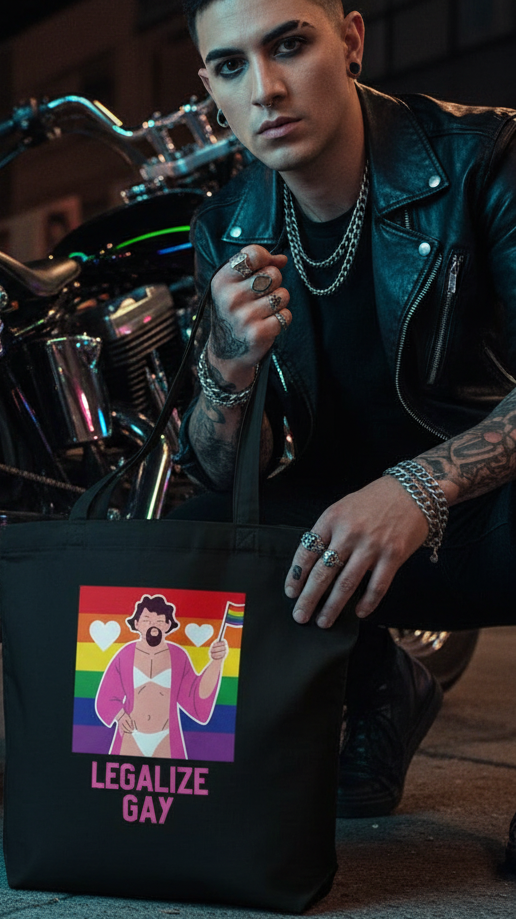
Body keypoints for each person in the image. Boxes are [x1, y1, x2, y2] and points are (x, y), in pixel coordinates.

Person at [174, 0, 515, 870]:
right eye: (230, 66)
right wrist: (227, 361)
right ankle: (377, 685)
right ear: (209, 85)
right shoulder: (227, 225)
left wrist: (419, 487)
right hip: (341, 539)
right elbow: (217, 472)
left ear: (352, 40)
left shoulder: (484, 157)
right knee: (186, 535)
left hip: (484, 511)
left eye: (289, 44)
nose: (267, 88)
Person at [95, 594, 228, 759]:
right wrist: (120, 716)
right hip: (131, 737)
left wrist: (216, 661)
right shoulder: (125, 654)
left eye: (159, 621)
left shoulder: (178, 655)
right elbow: (106, 697)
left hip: (166, 738)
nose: (153, 625)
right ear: (136, 624)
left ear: (167, 625)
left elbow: (195, 698)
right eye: (146, 620)